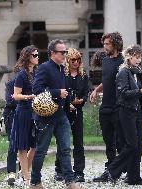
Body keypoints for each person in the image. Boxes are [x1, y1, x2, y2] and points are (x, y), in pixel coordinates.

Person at [30, 40, 85, 189]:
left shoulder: (61, 68)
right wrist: (57, 92)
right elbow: (36, 89)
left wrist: (69, 105)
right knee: (41, 150)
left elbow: (64, 91)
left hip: (61, 115)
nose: (65, 55)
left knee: (65, 149)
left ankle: (69, 182)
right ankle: (35, 182)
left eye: (66, 52)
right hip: (45, 117)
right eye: (62, 52)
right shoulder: (44, 68)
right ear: (52, 53)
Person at [97, 44, 142, 185]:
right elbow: (123, 94)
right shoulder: (123, 73)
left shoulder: (136, 72)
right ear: (128, 56)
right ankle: (111, 171)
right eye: (136, 57)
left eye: (140, 57)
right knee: (131, 145)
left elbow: (141, 97)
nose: (138, 60)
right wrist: (141, 91)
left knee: (137, 146)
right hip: (126, 112)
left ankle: (134, 177)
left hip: (136, 112)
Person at [89, 32, 124, 182]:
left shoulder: (123, 62)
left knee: (120, 141)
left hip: (118, 107)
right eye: (104, 44)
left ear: (115, 44)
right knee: (108, 141)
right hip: (105, 107)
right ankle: (110, 171)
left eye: (107, 44)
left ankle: (124, 169)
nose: (104, 47)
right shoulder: (105, 61)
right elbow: (107, 81)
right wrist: (96, 91)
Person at [54, 48, 89, 182]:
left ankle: (79, 172)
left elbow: (86, 91)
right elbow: (60, 92)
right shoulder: (62, 74)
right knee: (63, 142)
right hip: (64, 111)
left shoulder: (83, 75)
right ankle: (59, 170)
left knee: (78, 142)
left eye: (78, 60)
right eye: (73, 60)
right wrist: (69, 103)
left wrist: (82, 100)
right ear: (68, 61)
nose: (76, 62)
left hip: (77, 111)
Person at [10, 45, 38, 187]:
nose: (37, 57)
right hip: (23, 112)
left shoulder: (36, 73)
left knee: (35, 145)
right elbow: (15, 95)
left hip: (36, 112)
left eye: (38, 54)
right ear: (28, 57)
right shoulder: (21, 74)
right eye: (35, 55)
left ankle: (23, 171)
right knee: (22, 146)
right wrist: (29, 96)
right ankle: (27, 177)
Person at [3, 76, 18, 186]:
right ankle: (11, 173)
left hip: (27, 116)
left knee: (26, 146)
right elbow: (10, 101)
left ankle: (23, 172)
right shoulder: (11, 84)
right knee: (13, 145)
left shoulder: (33, 82)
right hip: (12, 116)